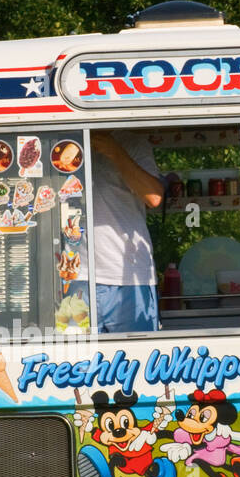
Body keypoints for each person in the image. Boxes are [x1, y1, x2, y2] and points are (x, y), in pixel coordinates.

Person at [70, 130, 164, 333]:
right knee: (73, 360)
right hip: (75, 275)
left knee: (136, 360)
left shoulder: (132, 141)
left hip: (128, 275)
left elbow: (154, 197)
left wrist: (115, 152)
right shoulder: (64, 141)